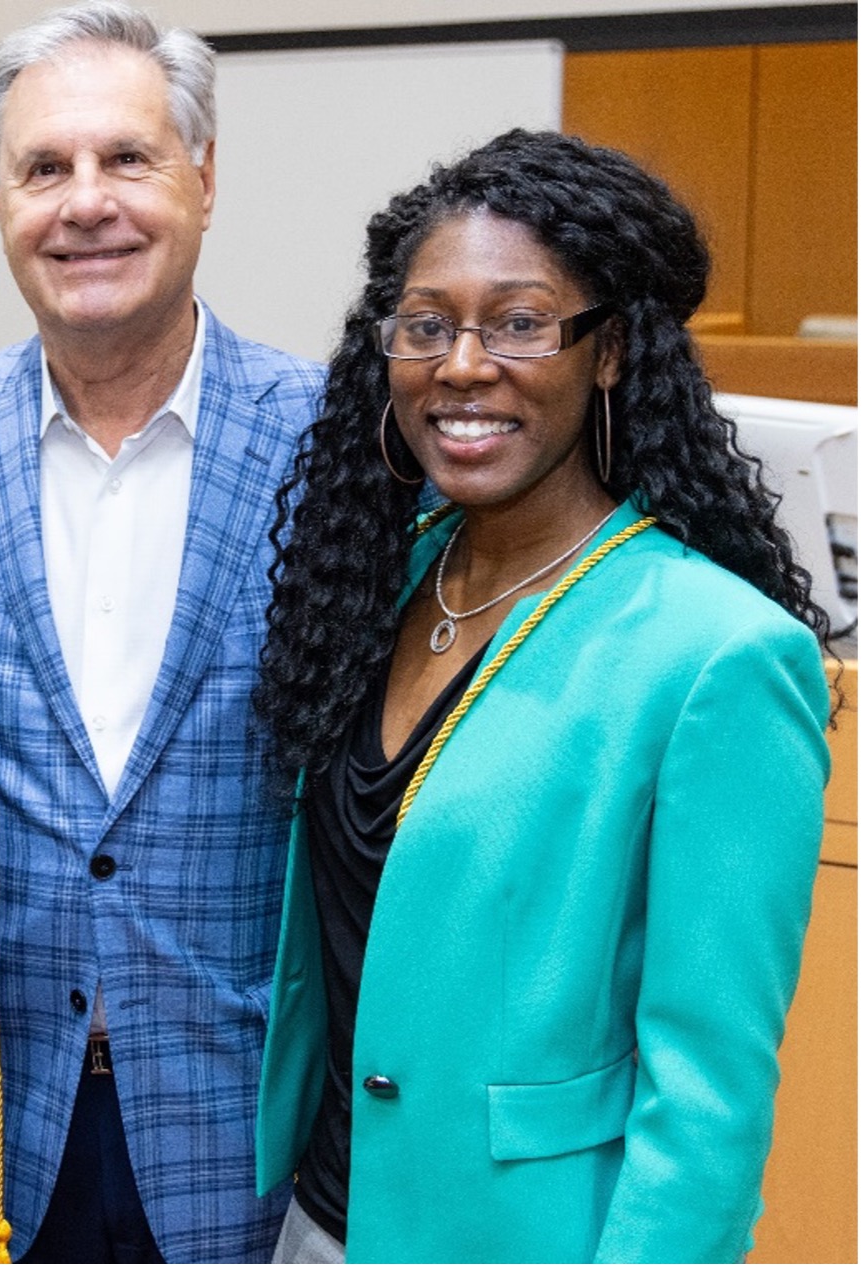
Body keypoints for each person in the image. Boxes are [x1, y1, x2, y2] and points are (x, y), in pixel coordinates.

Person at [252, 127, 833, 1263]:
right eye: (425, 325)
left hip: (525, 1235)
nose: (462, 365)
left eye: (519, 322)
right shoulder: (382, 582)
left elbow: (706, 1095)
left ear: (609, 351)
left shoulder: (717, 654)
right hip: (322, 1217)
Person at [0, 3, 323, 1261]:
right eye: (43, 168)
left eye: (127, 158)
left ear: (204, 179)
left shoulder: (341, 449)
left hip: (241, 1115)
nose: (85, 202)